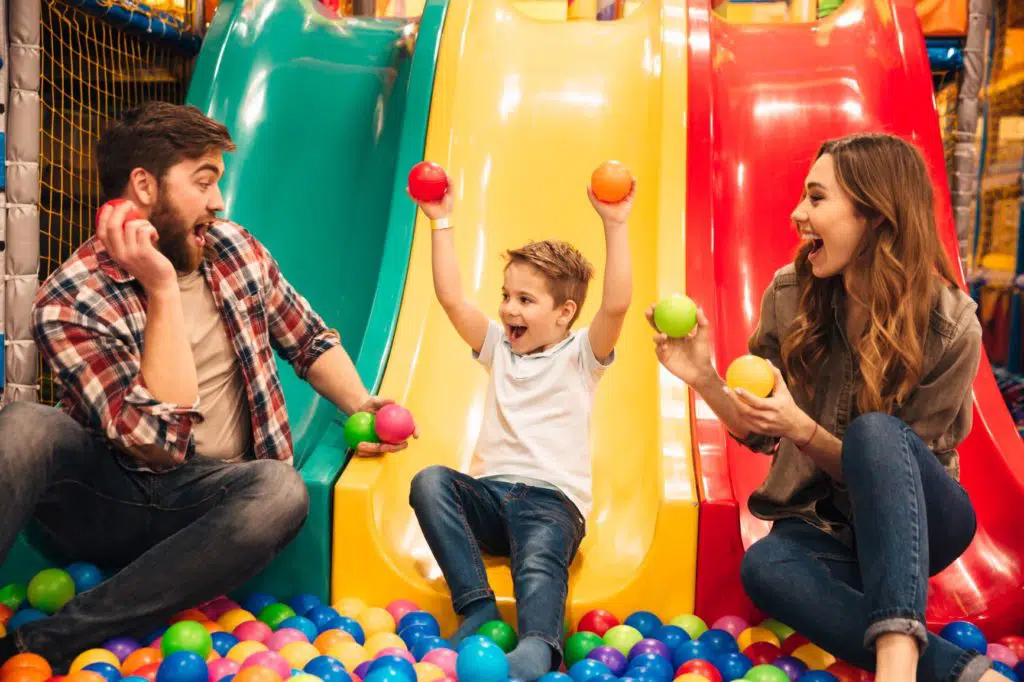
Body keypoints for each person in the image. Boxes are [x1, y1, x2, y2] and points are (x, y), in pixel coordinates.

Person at [0, 102, 412, 668]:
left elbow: (309, 339)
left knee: (280, 489)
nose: (218, 201)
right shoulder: (70, 297)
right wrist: (163, 289)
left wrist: (363, 406)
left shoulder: (234, 248)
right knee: (25, 425)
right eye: (204, 182)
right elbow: (157, 442)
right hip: (106, 499)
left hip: (208, 506)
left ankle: (47, 642)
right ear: (144, 186)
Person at [647, 132, 1005, 682]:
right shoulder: (789, 295)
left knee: (875, 435)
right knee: (766, 566)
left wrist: (806, 432)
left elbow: (896, 476)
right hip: (828, 531)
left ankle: (896, 665)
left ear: (876, 214)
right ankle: (964, 673)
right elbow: (763, 430)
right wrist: (704, 378)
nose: (797, 214)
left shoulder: (949, 323)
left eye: (817, 198)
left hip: (925, 523)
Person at [405, 177, 634, 681]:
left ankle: (539, 644)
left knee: (539, 561)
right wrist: (440, 220)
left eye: (526, 300)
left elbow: (615, 306)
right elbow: (450, 299)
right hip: (489, 497)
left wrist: (615, 225)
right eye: (507, 295)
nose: (509, 308)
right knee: (430, 482)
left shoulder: (581, 357)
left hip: (552, 503)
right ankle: (477, 607)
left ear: (565, 313)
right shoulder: (498, 348)